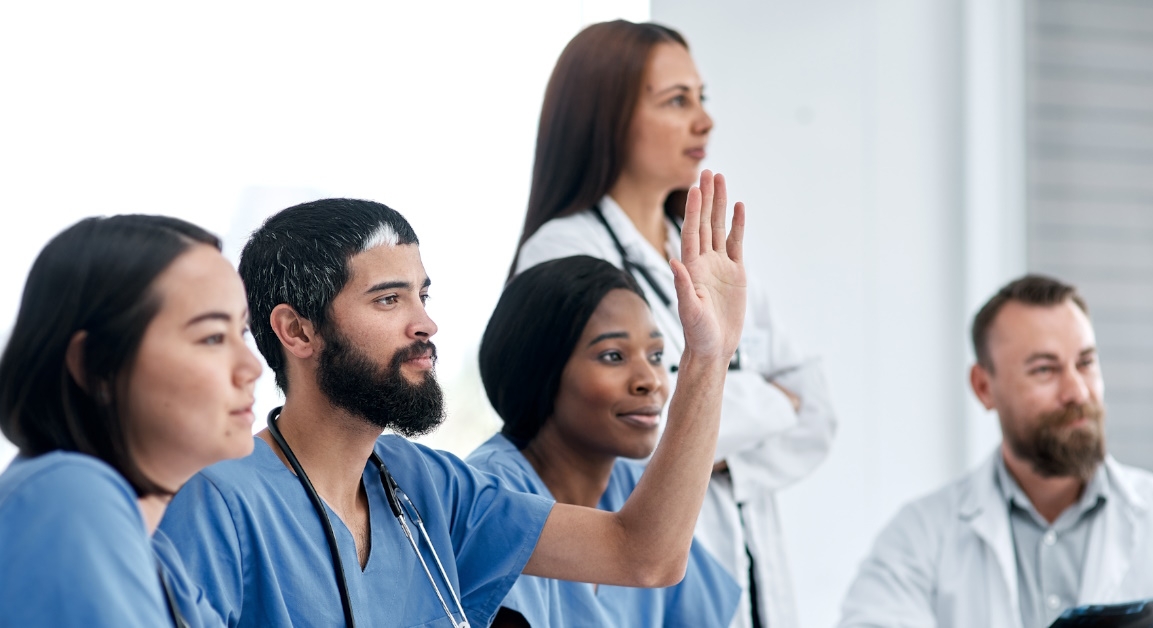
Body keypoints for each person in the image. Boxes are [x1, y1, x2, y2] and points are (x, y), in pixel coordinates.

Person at [159, 178, 746, 627]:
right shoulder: (222, 502)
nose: (426, 323)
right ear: (297, 332)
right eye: (388, 300)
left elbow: (644, 556)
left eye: (423, 294)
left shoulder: (429, 487)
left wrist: (706, 356)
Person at [511, 19, 836, 627]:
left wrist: (708, 444)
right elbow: (631, 430)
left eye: (702, 98)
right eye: (677, 101)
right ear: (606, 117)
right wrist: (764, 403)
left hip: (748, 554)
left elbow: (816, 410)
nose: (705, 121)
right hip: (648, 575)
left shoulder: (702, 251)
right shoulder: (563, 252)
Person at [838, 274, 1153, 628]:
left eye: (1086, 363)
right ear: (984, 388)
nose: (1076, 391)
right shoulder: (917, 540)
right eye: (1045, 370)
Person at [0, 215, 261, 626]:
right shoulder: (68, 495)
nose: (252, 367)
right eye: (212, 337)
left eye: (242, 333)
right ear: (97, 365)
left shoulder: (163, 563)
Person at [467, 255, 741, 627]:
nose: (650, 381)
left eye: (657, 355)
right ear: (540, 369)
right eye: (613, 356)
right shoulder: (488, 495)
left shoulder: (637, 489)